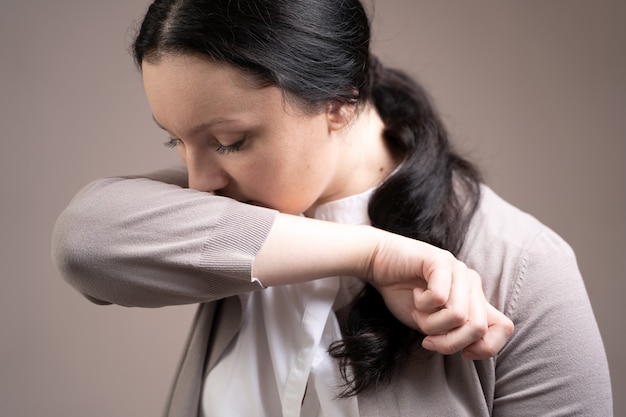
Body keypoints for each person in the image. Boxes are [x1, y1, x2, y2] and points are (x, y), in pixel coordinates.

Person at [51, 0, 612, 416]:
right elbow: (83, 241)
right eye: (174, 139)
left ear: (341, 103)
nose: (200, 184)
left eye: (229, 140)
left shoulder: (523, 269)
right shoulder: (231, 222)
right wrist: (372, 254)